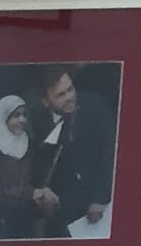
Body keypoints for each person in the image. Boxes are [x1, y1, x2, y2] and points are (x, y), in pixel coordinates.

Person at [21, 67, 116, 237]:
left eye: (70, 90)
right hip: (64, 210)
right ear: (46, 101)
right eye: (60, 95)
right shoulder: (37, 123)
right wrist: (44, 196)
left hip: (100, 201)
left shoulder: (94, 105)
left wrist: (101, 198)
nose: (69, 97)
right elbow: (37, 167)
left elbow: (111, 151)